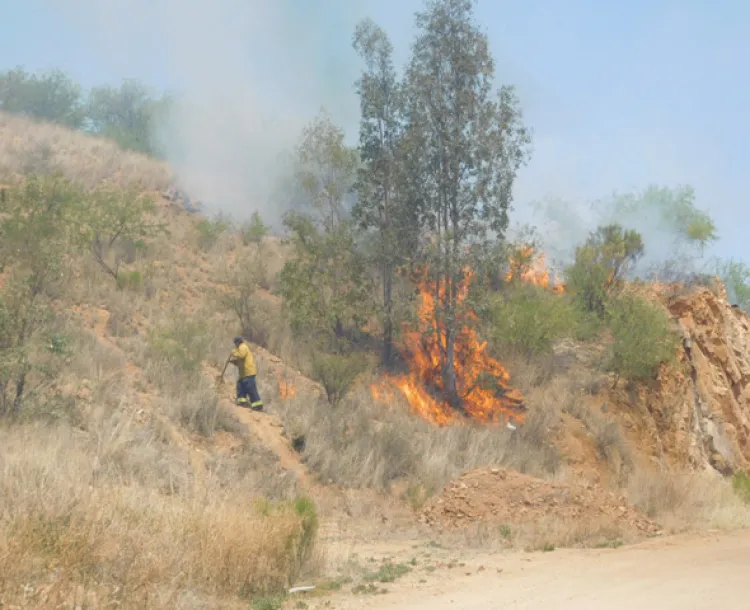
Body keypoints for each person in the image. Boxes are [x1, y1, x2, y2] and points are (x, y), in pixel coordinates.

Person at [228, 336, 263, 410]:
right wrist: (234, 362)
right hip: (243, 374)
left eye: (235, 343)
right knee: (240, 386)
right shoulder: (239, 349)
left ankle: (258, 405)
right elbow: (240, 361)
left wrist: (234, 352)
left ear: (238, 342)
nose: (235, 345)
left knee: (251, 389)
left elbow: (241, 355)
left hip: (249, 372)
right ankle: (242, 401)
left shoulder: (242, 347)